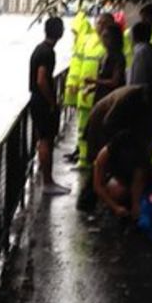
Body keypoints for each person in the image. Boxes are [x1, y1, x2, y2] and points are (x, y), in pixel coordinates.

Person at [76, 85, 152, 211]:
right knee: (99, 166)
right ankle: (89, 201)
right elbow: (109, 122)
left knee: (102, 165)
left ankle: (96, 200)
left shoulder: (137, 95)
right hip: (101, 123)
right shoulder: (132, 98)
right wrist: (116, 144)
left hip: (109, 123)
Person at [29, 16, 70, 195]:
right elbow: (41, 79)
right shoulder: (47, 53)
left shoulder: (40, 49)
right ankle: (47, 182)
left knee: (43, 139)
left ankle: (46, 179)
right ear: (59, 32)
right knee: (46, 140)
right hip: (42, 102)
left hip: (37, 100)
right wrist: (52, 102)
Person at [73, 12, 115, 169]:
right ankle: (83, 159)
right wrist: (73, 85)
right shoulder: (88, 41)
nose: (100, 26)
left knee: (100, 129)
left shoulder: (113, 45)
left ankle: (96, 161)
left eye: (104, 23)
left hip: (102, 95)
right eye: (98, 23)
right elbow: (77, 63)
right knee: (83, 128)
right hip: (86, 93)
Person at [93, 130, 149, 218]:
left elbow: (137, 183)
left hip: (131, 180)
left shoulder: (139, 158)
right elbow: (97, 185)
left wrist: (135, 206)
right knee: (116, 189)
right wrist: (115, 207)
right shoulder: (105, 154)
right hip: (115, 180)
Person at [85, 23, 126, 104]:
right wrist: (92, 89)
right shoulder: (104, 55)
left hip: (112, 99)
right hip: (101, 98)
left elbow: (114, 82)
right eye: (102, 36)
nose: (103, 39)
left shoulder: (118, 57)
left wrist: (94, 81)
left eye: (106, 36)